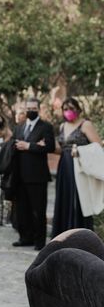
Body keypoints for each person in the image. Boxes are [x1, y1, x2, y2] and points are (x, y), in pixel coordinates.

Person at [51, 97, 102, 237]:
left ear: (78, 110)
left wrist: (80, 150)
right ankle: (63, 235)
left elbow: (98, 146)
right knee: (64, 198)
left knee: (79, 200)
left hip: (79, 167)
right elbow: (61, 148)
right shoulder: (62, 126)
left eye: (71, 109)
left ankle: (80, 236)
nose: (68, 112)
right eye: (65, 109)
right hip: (64, 167)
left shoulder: (85, 125)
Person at [12, 97, 55, 250]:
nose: (31, 110)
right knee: (22, 210)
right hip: (20, 175)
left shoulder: (46, 127)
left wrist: (29, 146)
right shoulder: (19, 127)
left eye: (34, 108)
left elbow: (49, 147)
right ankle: (25, 238)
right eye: (28, 108)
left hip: (37, 176)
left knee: (38, 210)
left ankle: (39, 242)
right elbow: (14, 145)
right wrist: (36, 144)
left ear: (38, 109)